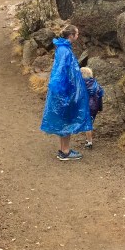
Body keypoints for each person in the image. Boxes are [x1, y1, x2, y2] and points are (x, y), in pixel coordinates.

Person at [40, 24, 91, 161]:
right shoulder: (65, 50)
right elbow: (61, 72)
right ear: (71, 36)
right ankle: (66, 151)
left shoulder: (62, 48)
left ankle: (63, 150)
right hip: (65, 92)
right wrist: (64, 92)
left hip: (64, 90)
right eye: (77, 33)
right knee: (67, 120)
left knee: (64, 121)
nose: (78, 36)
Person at [80, 66, 104, 148]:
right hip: (95, 107)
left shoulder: (82, 84)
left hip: (87, 106)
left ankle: (89, 142)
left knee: (87, 124)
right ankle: (88, 139)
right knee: (90, 122)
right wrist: (100, 107)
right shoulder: (95, 83)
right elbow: (100, 94)